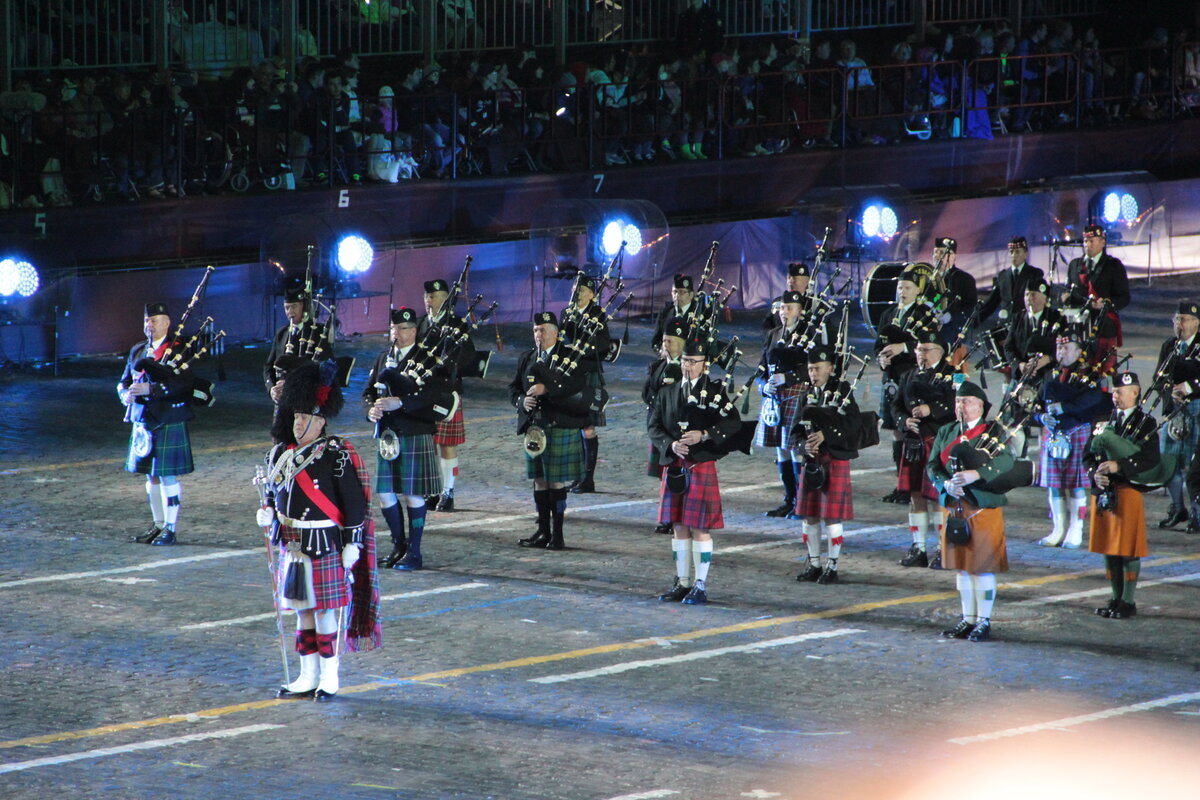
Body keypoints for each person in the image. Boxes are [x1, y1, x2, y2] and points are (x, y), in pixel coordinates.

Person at [257, 359, 380, 701]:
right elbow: (274, 492)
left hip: (324, 542)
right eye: (294, 417)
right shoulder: (281, 454)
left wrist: (352, 543)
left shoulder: (335, 454)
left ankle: (330, 677)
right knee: (303, 613)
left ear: (320, 420)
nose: (297, 424)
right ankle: (306, 675)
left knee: (326, 614)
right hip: (292, 544)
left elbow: (354, 503)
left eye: (303, 418)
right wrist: (267, 513)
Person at [649, 339, 742, 605]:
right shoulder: (667, 392)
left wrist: (704, 435)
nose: (688, 366)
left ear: (704, 365)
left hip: (700, 465)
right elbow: (653, 427)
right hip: (675, 466)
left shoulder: (713, 392)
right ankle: (682, 582)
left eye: (694, 362)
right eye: (685, 361)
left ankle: (700, 585)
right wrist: (671, 444)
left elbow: (732, 422)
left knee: (699, 528)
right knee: (678, 525)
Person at [927, 381, 1015, 643]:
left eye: (966, 401)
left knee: (982, 567)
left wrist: (977, 473)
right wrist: (944, 483)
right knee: (963, 567)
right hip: (954, 506)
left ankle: (984, 621)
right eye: (957, 401)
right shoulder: (946, 431)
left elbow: (1006, 461)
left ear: (980, 405)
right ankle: (968, 619)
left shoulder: (992, 431)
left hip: (983, 505)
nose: (960, 406)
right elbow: (932, 465)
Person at [362, 308, 446, 571]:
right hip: (387, 436)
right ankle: (398, 546)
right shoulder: (383, 358)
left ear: (414, 331)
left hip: (414, 431)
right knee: (386, 495)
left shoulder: (428, 360)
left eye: (403, 329)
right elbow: (368, 391)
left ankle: (415, 552)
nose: (397, 334)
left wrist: (401, 403)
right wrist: (372, 409)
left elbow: (432, 397)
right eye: (394, 329)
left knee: (412, 494)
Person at [118, 302, 198, 547]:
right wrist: (124, 395)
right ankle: (158, 524)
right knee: (151, 477)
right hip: (142, 418)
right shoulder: (138, 350)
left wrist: (151, 388)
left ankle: (171, 529)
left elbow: (184, 385)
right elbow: (122, 381)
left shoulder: (179, 349)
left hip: (167, 417)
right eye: (146, 321)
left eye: (154, 321)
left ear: (167, 323)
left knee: (167, 477)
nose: (149, 325)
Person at [510, 311, 589, 550]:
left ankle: (558, 535)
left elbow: (577, 386)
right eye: (536, 330)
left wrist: (548, 388)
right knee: (539, 481)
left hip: (559, 425)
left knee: (555, 482)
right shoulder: (527, 357)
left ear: (555, 333)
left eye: (543, 330)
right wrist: (521, 400)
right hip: (534, 428)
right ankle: (542, 531)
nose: (539, 335)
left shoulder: (570, 357)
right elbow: (513, 388)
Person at [1084, 371, 1160, 620]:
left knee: (1127, 549)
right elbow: (1087, 456)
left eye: (1120, 392)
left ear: (1135, 393)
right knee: (1110, 548)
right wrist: (1094, 474)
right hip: (1104, 492)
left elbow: (1150, 459)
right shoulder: (1101, 420)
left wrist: (1120, 467)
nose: (1115, 396)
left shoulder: (1145, 423)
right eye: (1114, 391)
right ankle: (1115, 597)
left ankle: (1128, 601)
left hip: (1127, 491)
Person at [1032, 329, 1113, 547]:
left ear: (1078, 351)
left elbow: (1094, 400)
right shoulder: (1050, 376)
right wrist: (1040, 417)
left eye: (1066, 348)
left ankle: (1075, 530)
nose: (1061, 352)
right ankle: (1058, 530)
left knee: (1076, 485)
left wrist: (1064, 407)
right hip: (1053, 435)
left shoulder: (1091, 376)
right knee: (1055, 485)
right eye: (1059, 347)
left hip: (1077, 432)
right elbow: (1036, 405)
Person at [793, 348, 861, 585]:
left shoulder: (843, 392)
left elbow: (854, 425)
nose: (813, 373)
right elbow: (794, 434)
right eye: (810, 369)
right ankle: (813, 564)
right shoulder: (806, 394)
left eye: (818, 368)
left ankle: (832, 566)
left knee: (832, 517)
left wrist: (826, 435)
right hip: (812, 463)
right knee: (809, 516)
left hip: (835, 460)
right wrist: (804, 447)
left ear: (830, 368)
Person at [874, 266, 942, 503]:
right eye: (900, 287)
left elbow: (930, 347)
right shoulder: (888, 314)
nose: (902, 292)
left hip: (913, 379)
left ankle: (915, 486)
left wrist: (902, 348)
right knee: (895, 430)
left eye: (907, 288)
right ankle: (901, 485)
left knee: (911, 429)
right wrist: (881, 359)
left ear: (917, 290)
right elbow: (878, 344)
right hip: (890, 379)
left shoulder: (925, 314)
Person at [892, 329, 957, 568]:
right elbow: (896, 406)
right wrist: (904, 421)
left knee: (939, 496)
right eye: (919, 349)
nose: (921, 354)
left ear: (939, 352)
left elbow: (959, 404)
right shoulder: (908, 375)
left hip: (939, 442)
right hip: (914, 442)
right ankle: (918, 548)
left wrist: (933, 410)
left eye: (926, 350)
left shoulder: (953, 375)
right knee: (915, 495)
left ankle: (943, 549)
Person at [416, 279, 477, 512]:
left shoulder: (456, 325)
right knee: (428, 443)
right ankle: (433, 488)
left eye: (434, 297)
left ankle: (448, 491)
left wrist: (445, 364)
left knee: (447, 444)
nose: (429, 302)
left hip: (446, 391)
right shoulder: (421, 325)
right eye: (426, 297)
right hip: (424, 392)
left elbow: (468, 356)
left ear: (445, 299)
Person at [754, 290, 811, 517]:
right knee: (781, 449)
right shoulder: (773, 334)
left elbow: (812, 367)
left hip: (796, 394)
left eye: (789, 308)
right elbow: (761, 366)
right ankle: (789, 500)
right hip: (774, 397)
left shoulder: (808, 334)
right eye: (781, 308)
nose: (784, 312)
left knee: (795, 448)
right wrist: (762, 385)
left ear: (799, 311)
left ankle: (802, 502)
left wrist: (787, 378)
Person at [560, 275, 611, 494]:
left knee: (587, 427)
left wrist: (582, 349)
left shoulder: (598, 315)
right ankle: (578, 476)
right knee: (574, 426)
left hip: (589, 372)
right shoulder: (566, 312)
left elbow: (603, 344)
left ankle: (588, 479)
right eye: (575, 288)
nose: (577, 293)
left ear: (592, 294)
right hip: (570, 374)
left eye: (582, 290)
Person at [1152, 300, 1200, 532]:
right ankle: (1177, 507)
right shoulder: (1169, 345)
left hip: (1197, 411)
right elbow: (1158, 379)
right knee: (1168, 464)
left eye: (1184, 320)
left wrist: (1188, 388)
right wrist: (1170, 393)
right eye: (1176, 319)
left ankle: (1196, 512)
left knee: (1194, 468)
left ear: (1196, 323)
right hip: (1174, 412)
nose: (1179, 324)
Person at [1063, 224, 1130, 367]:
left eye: (1092, 241)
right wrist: (1065, 297)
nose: (1088, 244)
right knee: (1076, 369)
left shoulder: (1113, 265)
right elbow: (1069, 291)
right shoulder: (1074, 265)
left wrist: (1106, 304)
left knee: (1101, 370)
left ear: (1102, 242)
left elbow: (1124, 297)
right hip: (1078, 326)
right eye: (1085, 241)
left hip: (1103, 325)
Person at [642, 318, 686, 534]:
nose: (665, 345)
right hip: (660, 426)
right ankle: (667, 516)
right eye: (664, 341)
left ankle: (674, 517)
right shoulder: (657, 366)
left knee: (676, 473)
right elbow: (646, 393)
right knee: (665, 476)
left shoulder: (688, 367)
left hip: (678, 429)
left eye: (670, 341)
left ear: (680, 343)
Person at [264, 288, 333, 405]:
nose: (290, 311)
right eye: (287, 307)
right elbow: (269, 365)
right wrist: (271, 389)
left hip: (306, 398)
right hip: (283, 399)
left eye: (294, 306)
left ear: (303, 307)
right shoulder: (281, 333)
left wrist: (292, 384)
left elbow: (324, 366)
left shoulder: (318, 332)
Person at [977, 235, 1046, 325]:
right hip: (1006, 324)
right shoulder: (1003, 276)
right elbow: (991, 303)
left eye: (1017, 252)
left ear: (1025, 254)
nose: (1014, 255)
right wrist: (973, 322)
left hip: (1025, 324)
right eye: (1011, 252)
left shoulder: (1034, 274)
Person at [930, 236, 979, 348]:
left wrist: (951, 316)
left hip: (954, 335)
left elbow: (971, 309)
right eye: (935, 252)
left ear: (952, 256)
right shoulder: (928, 278)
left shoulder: (964, 279)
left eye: (941, 252)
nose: (937, 256)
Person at [651, 274, 699, 350]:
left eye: (682, 292)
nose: (677, 295)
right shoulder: (664, 313)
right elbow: (656, 341)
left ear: (691, 295)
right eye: (675, 291)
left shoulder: (699, 314)